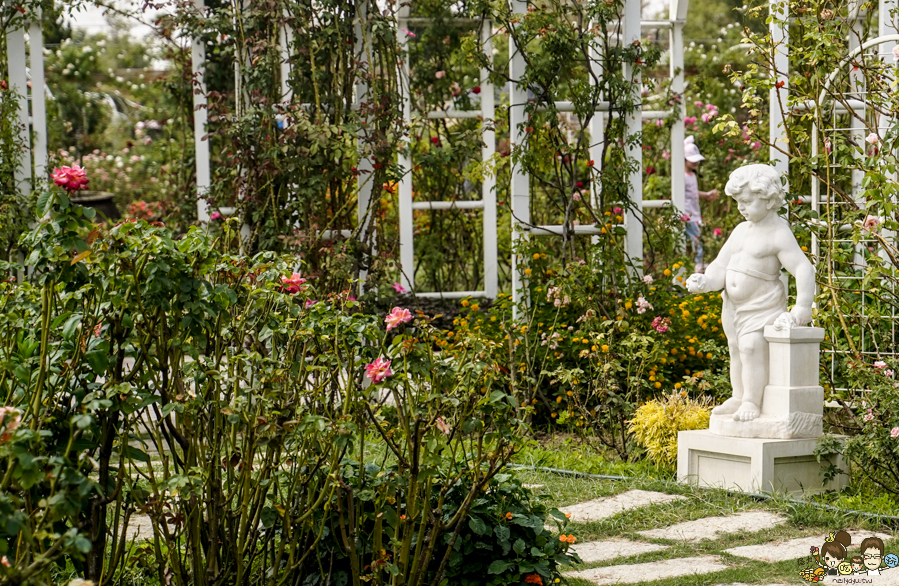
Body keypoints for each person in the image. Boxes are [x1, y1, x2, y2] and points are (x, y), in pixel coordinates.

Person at [685, 164, 815, 422]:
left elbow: (803, 268)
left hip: (763, 306)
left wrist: (801, 307)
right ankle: (738, 394)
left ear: (768, 200)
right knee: (736, 349)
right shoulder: (741, 231)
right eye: (737, 202)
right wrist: (706, 280)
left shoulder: (779, 233)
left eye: (746, 201)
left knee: (751, 347)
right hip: (733, 307)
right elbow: (720, 266)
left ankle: (752, 402)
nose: (741, 208)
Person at [683, 136, 719, 272]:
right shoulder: (683, 176)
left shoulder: (691, 175)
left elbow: (693, 192)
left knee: (695, 238)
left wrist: (706, 194)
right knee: (696, 238)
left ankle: (695, 263)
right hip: (687, 214)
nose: (695, 163)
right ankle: (698, 263)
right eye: (692, 160)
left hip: (694, 213)